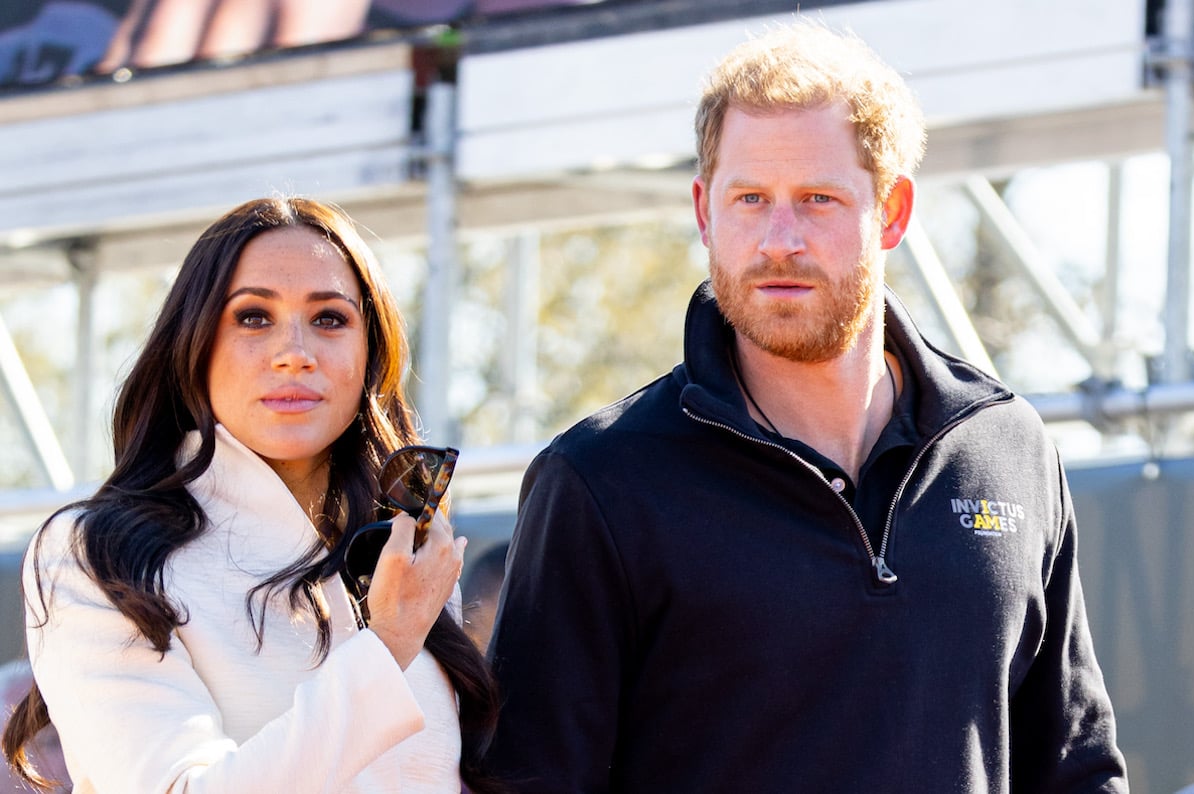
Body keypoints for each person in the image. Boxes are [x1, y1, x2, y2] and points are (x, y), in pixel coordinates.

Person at [485, 19, 1129, 793]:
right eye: (750, 198)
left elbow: (1076, 768)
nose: (778, 239)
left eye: (818, 199)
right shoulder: (600, 481)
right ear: (703, 211)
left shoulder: (1009, 450)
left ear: (891, 212)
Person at [1, 197, 503, 793]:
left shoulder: (396, 553)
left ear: (371, 352)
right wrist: (386, 648)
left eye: (330, 319)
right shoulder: (97, 554)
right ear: (194, 345)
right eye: (253, 317)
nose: (295, 352)